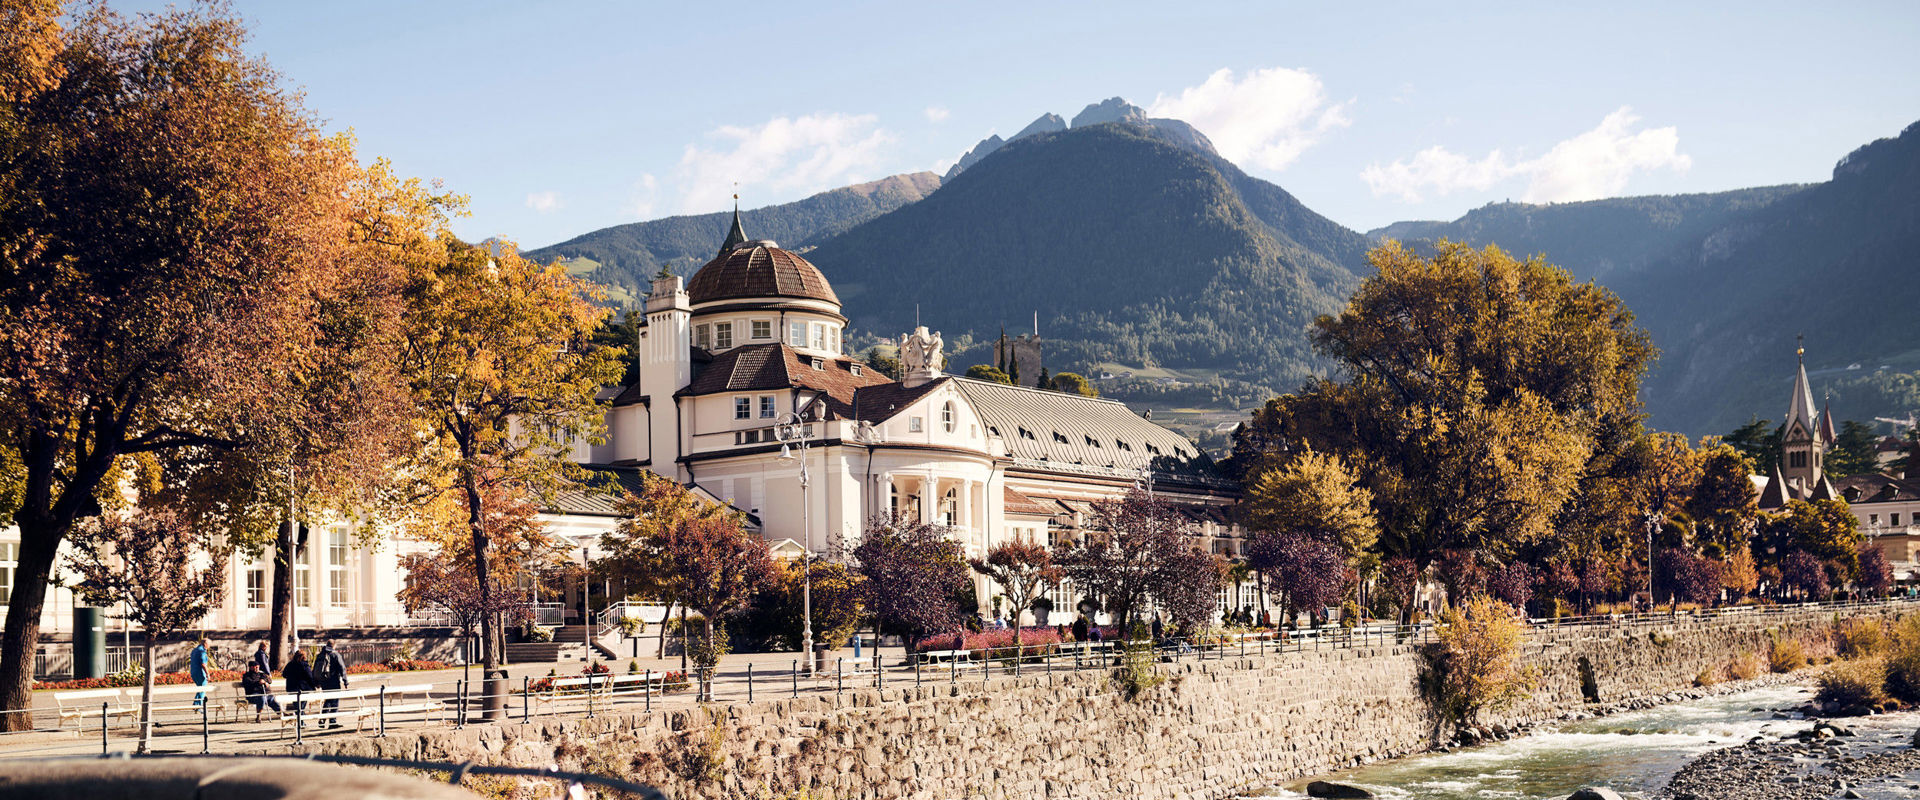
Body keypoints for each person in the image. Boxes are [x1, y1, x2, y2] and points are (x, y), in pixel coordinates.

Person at [313, 642, 349, 728]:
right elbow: (342, 668)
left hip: (324, 682)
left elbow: (315, 669)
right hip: (334, 681)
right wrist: (345, 681)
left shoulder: (320, 655)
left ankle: (322, 719)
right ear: (334, 646)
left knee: (328, 700)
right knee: (334, 702)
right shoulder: (335, 655)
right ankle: (332, 722)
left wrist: (316, 682)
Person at [282, 650, 315, 719]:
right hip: (303, 688)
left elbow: (284, 674)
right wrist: (313, 685)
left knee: (297, 706)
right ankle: (301, 722)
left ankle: (300, 722)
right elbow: (310, 676)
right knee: (301, 706)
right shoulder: (304, 665)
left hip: (292, 687)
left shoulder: (290, 664)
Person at [188, 637, 210, 709]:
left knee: (199, 688)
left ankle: (195, 704)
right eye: (209, 644)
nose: (209, 646)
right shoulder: (202, 651)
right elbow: (203, 664)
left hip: (193, 672)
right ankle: (199, 706)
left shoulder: (194, 650)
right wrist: (207, 674)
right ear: (205, 644)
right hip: (200, 673)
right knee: (203, 689)